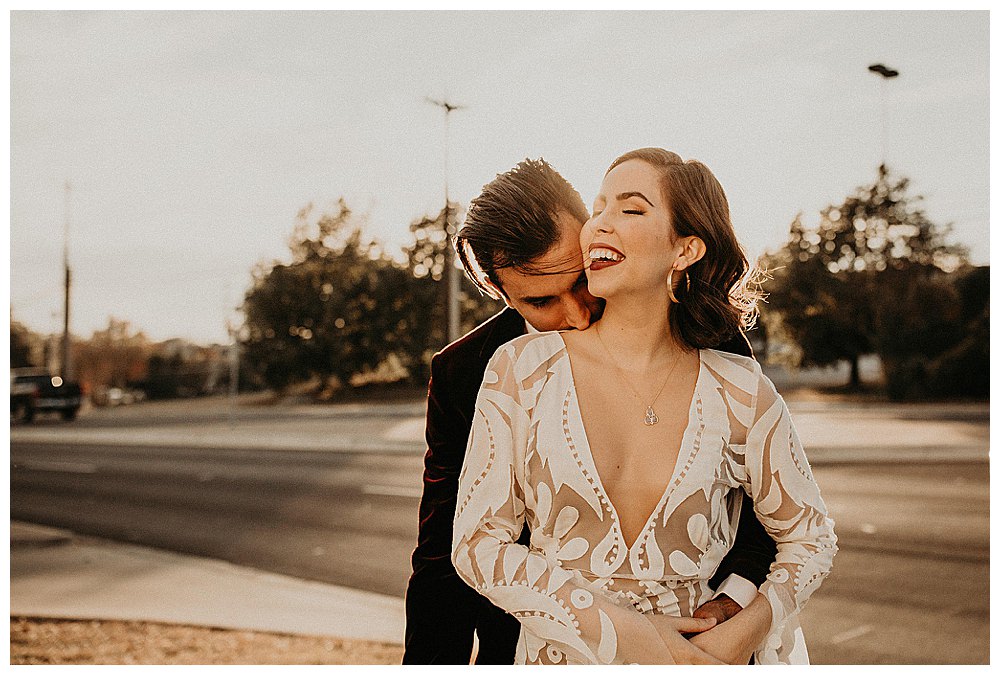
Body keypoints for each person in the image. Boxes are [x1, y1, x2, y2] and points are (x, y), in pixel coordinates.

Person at [451, 149, 837, 664]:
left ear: (686, 249)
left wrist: (741, 632)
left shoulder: (739, 386)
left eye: (630, 209)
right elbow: (475, 544)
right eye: (599, 206)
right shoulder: (518, 370)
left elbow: (810, 537)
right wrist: (628, 635)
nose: (600, 224)